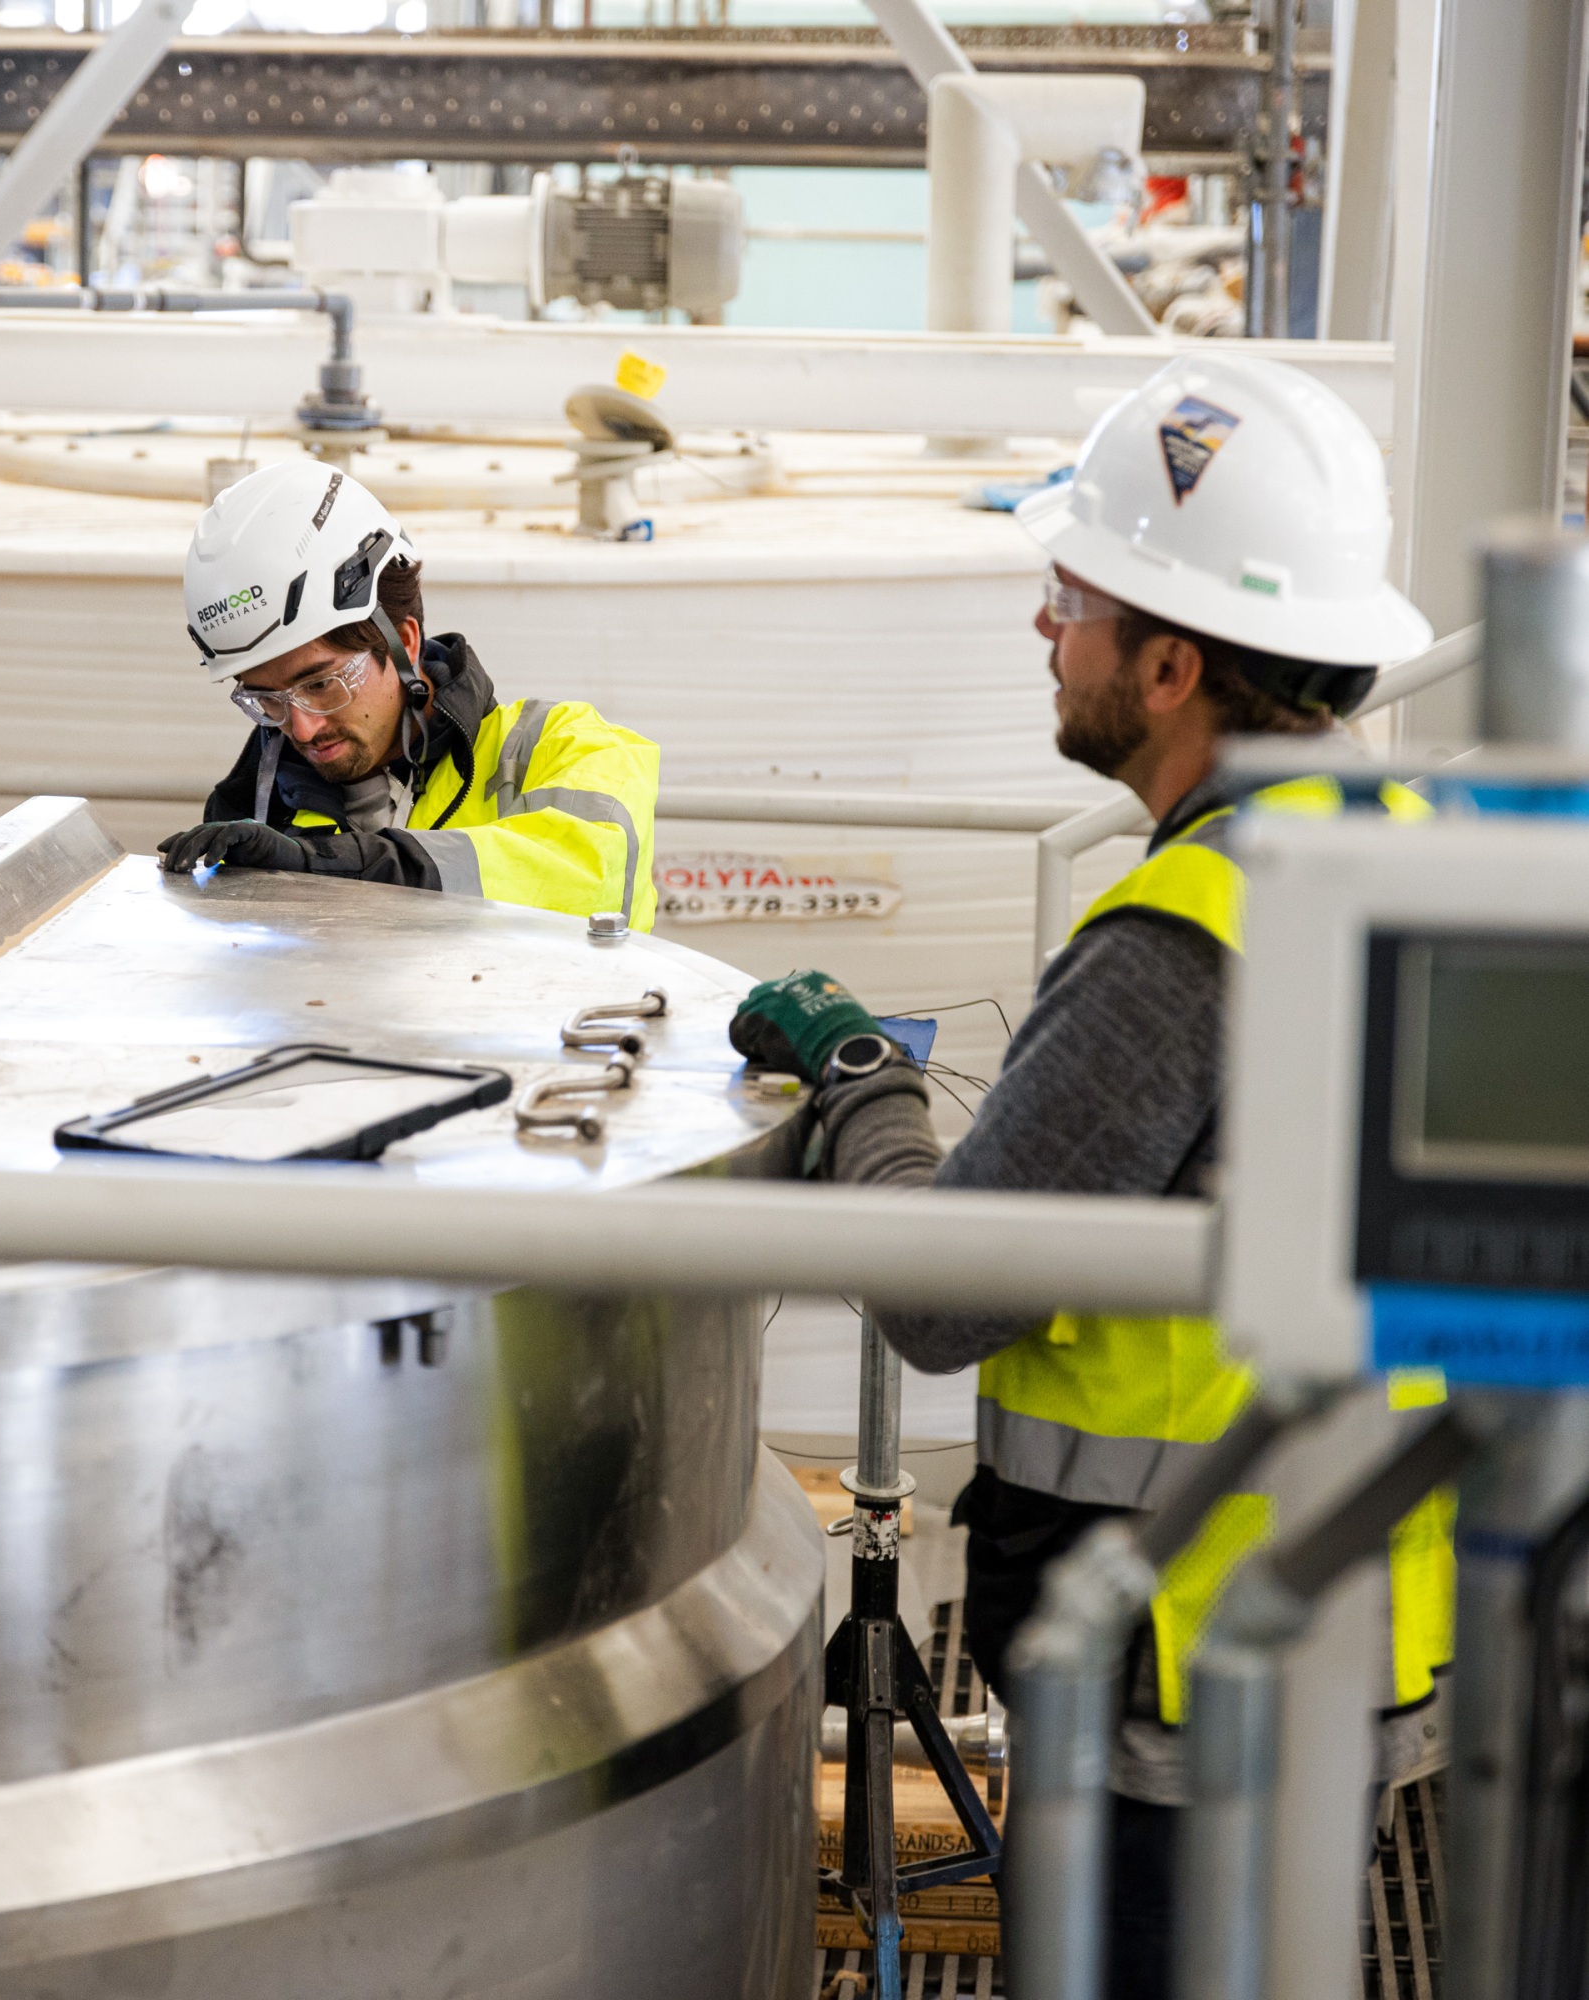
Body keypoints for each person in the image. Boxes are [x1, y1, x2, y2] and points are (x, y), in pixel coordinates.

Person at [727, 354, 1456, 2000]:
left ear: (1174, 662)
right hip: (1336, 1615)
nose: (1041, 633)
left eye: (1071, 602)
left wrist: (865, 1087)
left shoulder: (1183, 942)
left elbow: (944, 1296)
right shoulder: (1404, 832)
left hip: (1168, 1656)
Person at [157, 461, 659, 927]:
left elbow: (593, 880)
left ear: (406, 643)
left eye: (320, 684)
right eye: (267, 700)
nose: (301, 728)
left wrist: (330, 869)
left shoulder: (560, 748)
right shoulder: (262, 805)